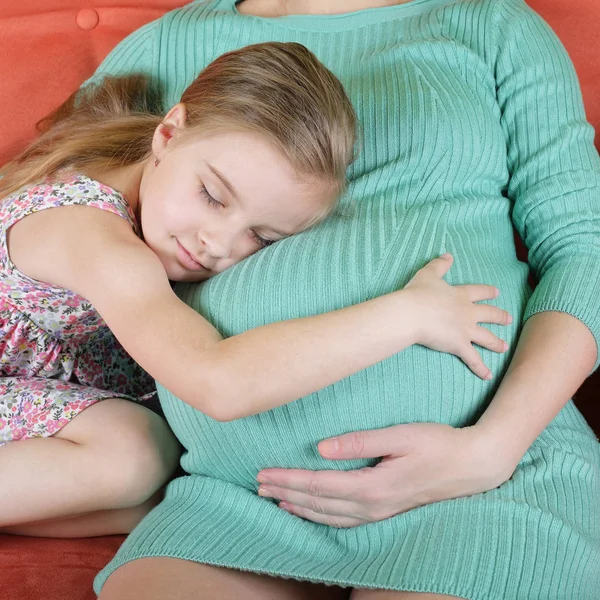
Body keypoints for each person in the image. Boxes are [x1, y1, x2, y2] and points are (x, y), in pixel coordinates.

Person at [81, 0, 600, 599]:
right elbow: (61, 214)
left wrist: (494, 447)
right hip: (237, 496)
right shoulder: (163, 47)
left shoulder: (486, 22)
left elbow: (583, 251)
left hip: (483, 479)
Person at [0, 41, 510, 541]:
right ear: (169, 134)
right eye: (213, 196)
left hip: (33, 386)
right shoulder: (95, 239)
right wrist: (408, 316)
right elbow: (220, 382)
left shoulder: (153, 194)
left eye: (261, 237)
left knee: (155, 474)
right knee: (134, 455)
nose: (218, 244)